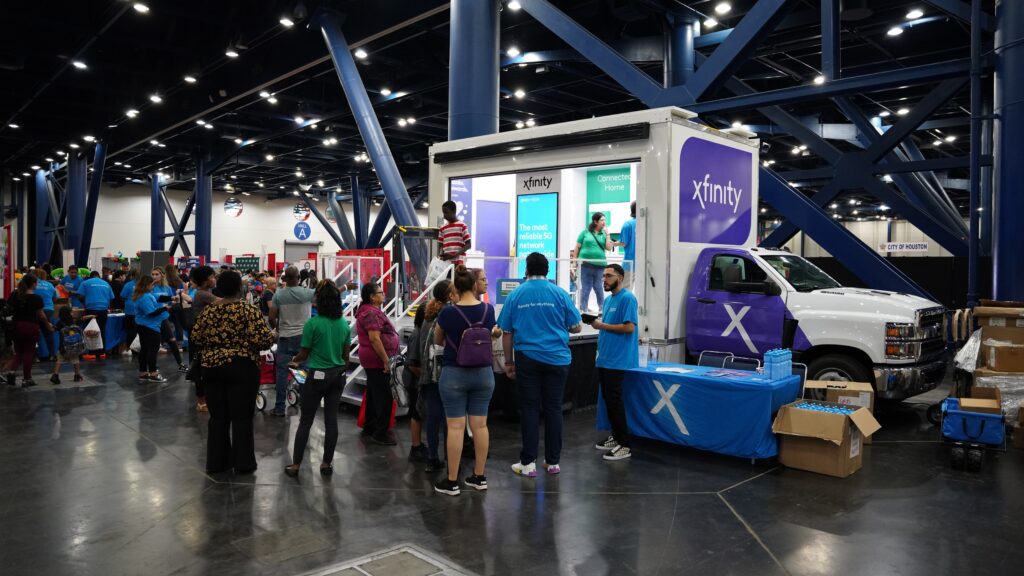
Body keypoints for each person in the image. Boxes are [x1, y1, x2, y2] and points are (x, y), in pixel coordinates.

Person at [498, 252, 582, 478]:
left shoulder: (516, 294)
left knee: (530, 409)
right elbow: (576, 328)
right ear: (548, 270)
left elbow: (506, 332)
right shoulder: (560, 293)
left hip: (528, 358)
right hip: (558, 359)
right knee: (554, 408)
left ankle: (528, 464)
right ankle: (553, 462)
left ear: (526, 270)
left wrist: (508, 362)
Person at [190, 270, 275, 475]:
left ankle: (217, 463)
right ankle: (243, 464)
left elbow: (195, 338)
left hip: (212, 369)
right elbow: (265, 340)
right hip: (243, 368)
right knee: (242, 418)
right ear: (240, 287)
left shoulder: (209, 311)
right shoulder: (248, 310)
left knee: (218, 418)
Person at [432, 266, 499, 496]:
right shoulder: (488, 310)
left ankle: (452, 482)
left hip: (454, 374)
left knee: (456, 427)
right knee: (480, 426)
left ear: (455, 289)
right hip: (484, 374)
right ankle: (479, 477)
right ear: (473, 285)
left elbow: (438, 339)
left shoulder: (448, 313)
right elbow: (491, 334)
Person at [284, 281, 352, 478]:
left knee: (306, 420)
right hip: (337, 375)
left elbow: (303, 354)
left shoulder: (312, 324)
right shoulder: (344, 325)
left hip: (316, 376)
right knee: (332, 420)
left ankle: (296, 465)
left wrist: (293, 361)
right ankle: (326, 464)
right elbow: (346, 356)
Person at [591, 263, 639, 462]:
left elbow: (629, 328)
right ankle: (616, 436)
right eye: (603, 276)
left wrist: (601, 325)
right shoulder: (610, 300)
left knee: (615, 401)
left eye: (609, 276)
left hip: (617, 360)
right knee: (609, 402)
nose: (604, 280)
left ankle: (624, 444)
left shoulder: (627, 298)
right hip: (605, 358)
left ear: (620, 277)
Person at [405, 280, 451, 472]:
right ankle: (451, 458)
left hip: (429, 377)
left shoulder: (426, 319)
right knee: (451, 420)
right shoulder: (449, 316)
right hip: (446, 374)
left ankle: (433, 458)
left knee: (432, 419)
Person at [355, 281, 400, 445]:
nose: (383, 294)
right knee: (385, 396)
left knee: (374, 394)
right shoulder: (372, 314)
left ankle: (370, 426)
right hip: (376, 359)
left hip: (371, 358)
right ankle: (380, 432)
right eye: (380, 292)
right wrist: (386, 360)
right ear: (372, 297)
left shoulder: (368, 311)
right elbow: (374, 338)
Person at [268, 266, 315, 417]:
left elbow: (271, 318)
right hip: (304, 339)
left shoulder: (278, 295)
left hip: (285, 339)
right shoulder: (308, 293)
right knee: (304, 371)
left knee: (282, 373)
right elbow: (327, 295)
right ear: (299, 278)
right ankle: (306, 405)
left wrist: (278, 329)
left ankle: (280, 408)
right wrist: (345, 286)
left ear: (285, 279)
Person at [4, 274, 54, 387]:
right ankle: (27, 379)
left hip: (16, 326)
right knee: (28, 353)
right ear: (33, 284)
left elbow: (8, 308)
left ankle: (11, 373)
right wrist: (47, 324)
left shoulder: (14, 295)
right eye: (36, 283)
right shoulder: (37, 298)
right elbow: (41, 315)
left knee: (19, 353)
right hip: (31, 327)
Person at [180, 266, 217, 412]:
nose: (214, 279)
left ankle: (204, 399)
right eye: (212, 277)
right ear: (205, 280)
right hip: (201, 337)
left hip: (203, 336)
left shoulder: (205, 292)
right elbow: (226, 302)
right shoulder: (203, 294)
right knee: (202, 369)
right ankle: (201, 402)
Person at [572, 212, 619, 311]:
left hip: (600, 266)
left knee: (598, 288)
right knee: (586, 288)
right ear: (595, 221)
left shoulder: (604, 234)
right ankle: (583, 309)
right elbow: (577, 247)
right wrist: (574, 261)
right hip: (585, 265)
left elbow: (609, 248)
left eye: (604, 220)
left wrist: (608, 235)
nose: (604, 222)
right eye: (602, 220)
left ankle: (602, 309)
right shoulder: (585, 232)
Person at [133, 276, 171, 382]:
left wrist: (169, 299)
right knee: (152, 350)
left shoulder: (143, 295)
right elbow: (151, 313)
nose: (153, 286)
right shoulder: (145, 297)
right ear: (147, 285)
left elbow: (156, 302)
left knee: (145, 350)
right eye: (152, 284)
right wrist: (165, 308)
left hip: (145, 326)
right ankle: (153, 373)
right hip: (150, 327)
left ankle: (143, 372)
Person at [150, 267, 186, 371]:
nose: (154, 276)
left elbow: (170, 300)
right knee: (153, 345)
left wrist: (172, 303)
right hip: (152, 318)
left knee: (172, 340)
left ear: (162, 275)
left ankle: (181, 364)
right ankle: (152, 368)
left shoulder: (167, 288)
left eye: (157, 274)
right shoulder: (150, 287)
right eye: (153, 274)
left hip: (164, 317)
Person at [80, 271, 115, 359]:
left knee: (90, 330)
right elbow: (111, 298)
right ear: (99, 276)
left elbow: (79, 296)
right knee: (101, 330)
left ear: (90, 277)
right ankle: (102, 352)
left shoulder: (85, 283)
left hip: (91, 309)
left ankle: (92, 353)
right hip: (103, 310)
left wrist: (85, 303)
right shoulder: (106, 284)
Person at [50, 307, 89, 385]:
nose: (72, 313)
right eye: (71, 312)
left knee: (59, 360)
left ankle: (55, 375)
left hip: (63, 346)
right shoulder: (74, 321)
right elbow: (82, 319)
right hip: (74, 346)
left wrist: (51, 325)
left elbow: (54, 330)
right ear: (69, 313)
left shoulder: (60, 322)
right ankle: (77, 375)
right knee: (75, 360)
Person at [34, 269, 58, 361]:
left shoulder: (32, 284)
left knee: (35, 333)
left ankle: (35, 357)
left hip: (35, 310)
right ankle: (53, 354)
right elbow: (55, 298)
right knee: (48, 332)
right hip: (48, 309)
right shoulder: (50, 285)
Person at [438, 200, 471, 267]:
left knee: (458, 277)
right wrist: (441, 255)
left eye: (446, 213)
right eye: (443, 213)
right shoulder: (442, 228)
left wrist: (455, 255)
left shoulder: (462, 226)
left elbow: (468, 244)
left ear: (454, 211)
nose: (444, 216)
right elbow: (441, 245)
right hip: (446, 263)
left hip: (459, 263)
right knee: (447, 277)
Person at [165, 265, 187, 342]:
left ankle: (168, 343)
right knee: (178, 325)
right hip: (178, 304)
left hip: (168, 305)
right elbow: (184, 293)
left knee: (168, 325)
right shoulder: (180, 282)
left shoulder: (165, 282)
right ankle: (180, 343)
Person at [120, 270, 138, 355]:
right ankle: (139, 348)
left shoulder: (128, 285)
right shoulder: (145, 284)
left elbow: (122, 296)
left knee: (131, 330)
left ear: (132, 276)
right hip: (141, 310)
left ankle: (130, 348)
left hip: (130, 310)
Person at [620, 201, 637, 287]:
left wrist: (613, 243)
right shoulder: (647, 224)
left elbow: (623, 243)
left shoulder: (627, 225)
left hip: (630, 264)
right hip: (645, 264)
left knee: (625, 289)